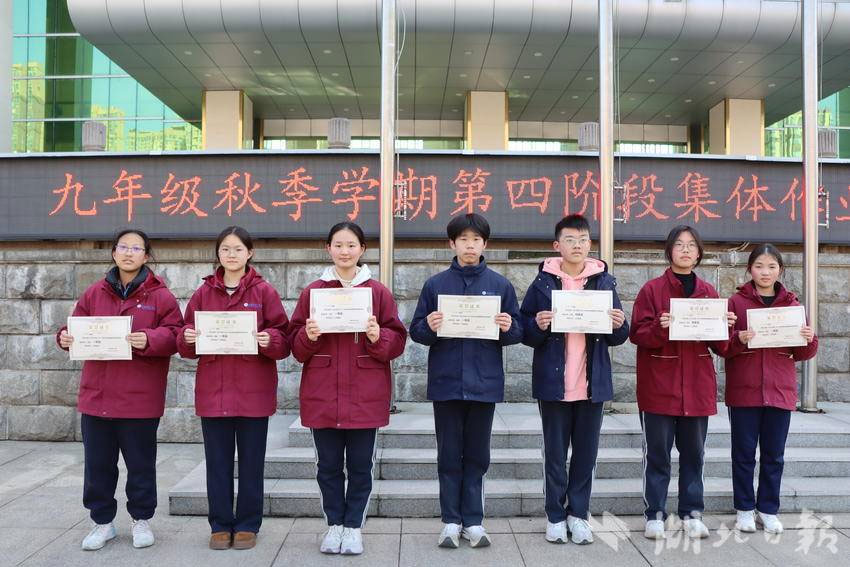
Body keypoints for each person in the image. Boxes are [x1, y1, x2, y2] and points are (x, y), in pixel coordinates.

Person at [56, 229, 182, 551]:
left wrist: (150, 339)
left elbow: (176, 335)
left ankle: (141, 519)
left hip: (139, 398)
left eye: (136, 248)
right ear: (113, 252)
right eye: (123, 247)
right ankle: (102, 523)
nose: (128, 253)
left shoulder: (161, 296)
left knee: (141, 465)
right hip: (97, 396)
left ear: (146, 255)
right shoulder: (94, 293)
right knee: (97, 466)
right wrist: (64, 337)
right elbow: (74, 326)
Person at [288, 221, 407, 556]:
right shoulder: (313, 292)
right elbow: (295, 346)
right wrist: (308, 336)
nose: (344, 251)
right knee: (327, 466)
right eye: (338, 245)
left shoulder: (377, 293)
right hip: (323, 393)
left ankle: (353, 527)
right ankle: (334, 525)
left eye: (351, 245)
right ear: (328, 249)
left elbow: (397, 340)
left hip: (364, 394)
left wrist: (377, 336)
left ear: (362, 249)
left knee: (360, 466)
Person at [409, 213, 523, 549]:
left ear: (485, 244)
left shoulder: (500, 285)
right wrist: (429, 325)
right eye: (463, 239)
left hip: (484, 383)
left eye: (476, 240)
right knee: (448, 455)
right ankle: (450, 521)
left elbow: (518, 331)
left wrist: (507, 327)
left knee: (477, 456)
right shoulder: (436, 285)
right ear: (452, 244)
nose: (470, 245)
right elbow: (416, 331)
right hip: (446, 383)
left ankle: (473, 521)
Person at [177, 226, 290, 551]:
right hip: (214, 391)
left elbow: (283, 338)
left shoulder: (264, 292)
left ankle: (248, 524)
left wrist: (269, 340)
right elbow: (184, 339)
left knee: (252, 463)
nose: (231, 254)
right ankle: (220, 524)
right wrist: (188, 337)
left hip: (253, 391)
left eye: (238, 249)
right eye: (225, 249)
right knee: (217, 463)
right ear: (218, 253)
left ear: (249, 253)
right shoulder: (203, 293)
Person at [520, 214, 629, 545]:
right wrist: (537, 324)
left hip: (591, 385)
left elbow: (618, 335)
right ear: (558, 245)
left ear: (590, 245)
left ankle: (578, 515)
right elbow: (524, 330)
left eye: (582, 240)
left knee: (585, 454)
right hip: (554, 385)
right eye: (569, 239)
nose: (577, 245)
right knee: (555, 455)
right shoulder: (542, 283)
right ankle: (555, 516)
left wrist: (619, 323)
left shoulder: (604, 282)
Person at [629, 225, 735, 540]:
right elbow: (637, 335)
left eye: (691, 245)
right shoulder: (652, 290)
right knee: (657, 456)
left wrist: (726, 326)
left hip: (697, 388)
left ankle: (692, 513)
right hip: (659, 388)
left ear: (699, 253)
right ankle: (655, 515)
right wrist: (660, 327)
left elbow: (723, 348)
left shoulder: (709, 293)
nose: (686, 250)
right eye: (679, 244)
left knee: (694, 456)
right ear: (669, 251)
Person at [723, 243, 817, 534]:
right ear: (749, 269)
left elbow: (803, 353)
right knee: (743, 454)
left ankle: (768, 509)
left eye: (772, 266)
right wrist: (738, 339)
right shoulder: (736, 303)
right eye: (759, 266)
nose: (765, 272)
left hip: (779, 390)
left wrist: (809, 338)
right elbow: (723, 347)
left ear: (780, 270)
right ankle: (744, 509)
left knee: (774, 455)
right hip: (745, 391)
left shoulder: (792, 305)